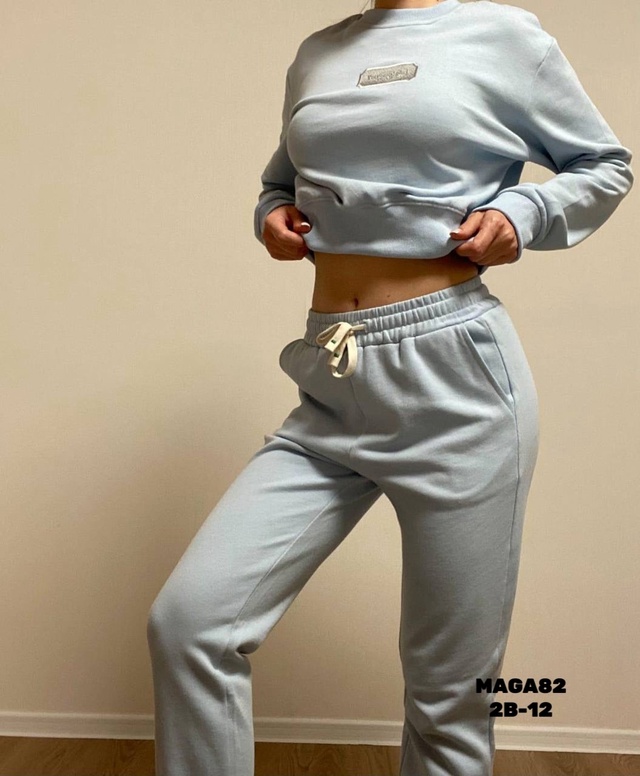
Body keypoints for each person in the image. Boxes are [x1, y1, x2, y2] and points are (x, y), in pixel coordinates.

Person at [146, 1, 634, 774]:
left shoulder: (503, 35)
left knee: (450, 696)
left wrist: (523, 212)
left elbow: (605, 163)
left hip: (457, 386)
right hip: (333, 377)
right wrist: (272, 214)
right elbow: (281, 183)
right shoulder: (319, 52)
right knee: (190, 624)